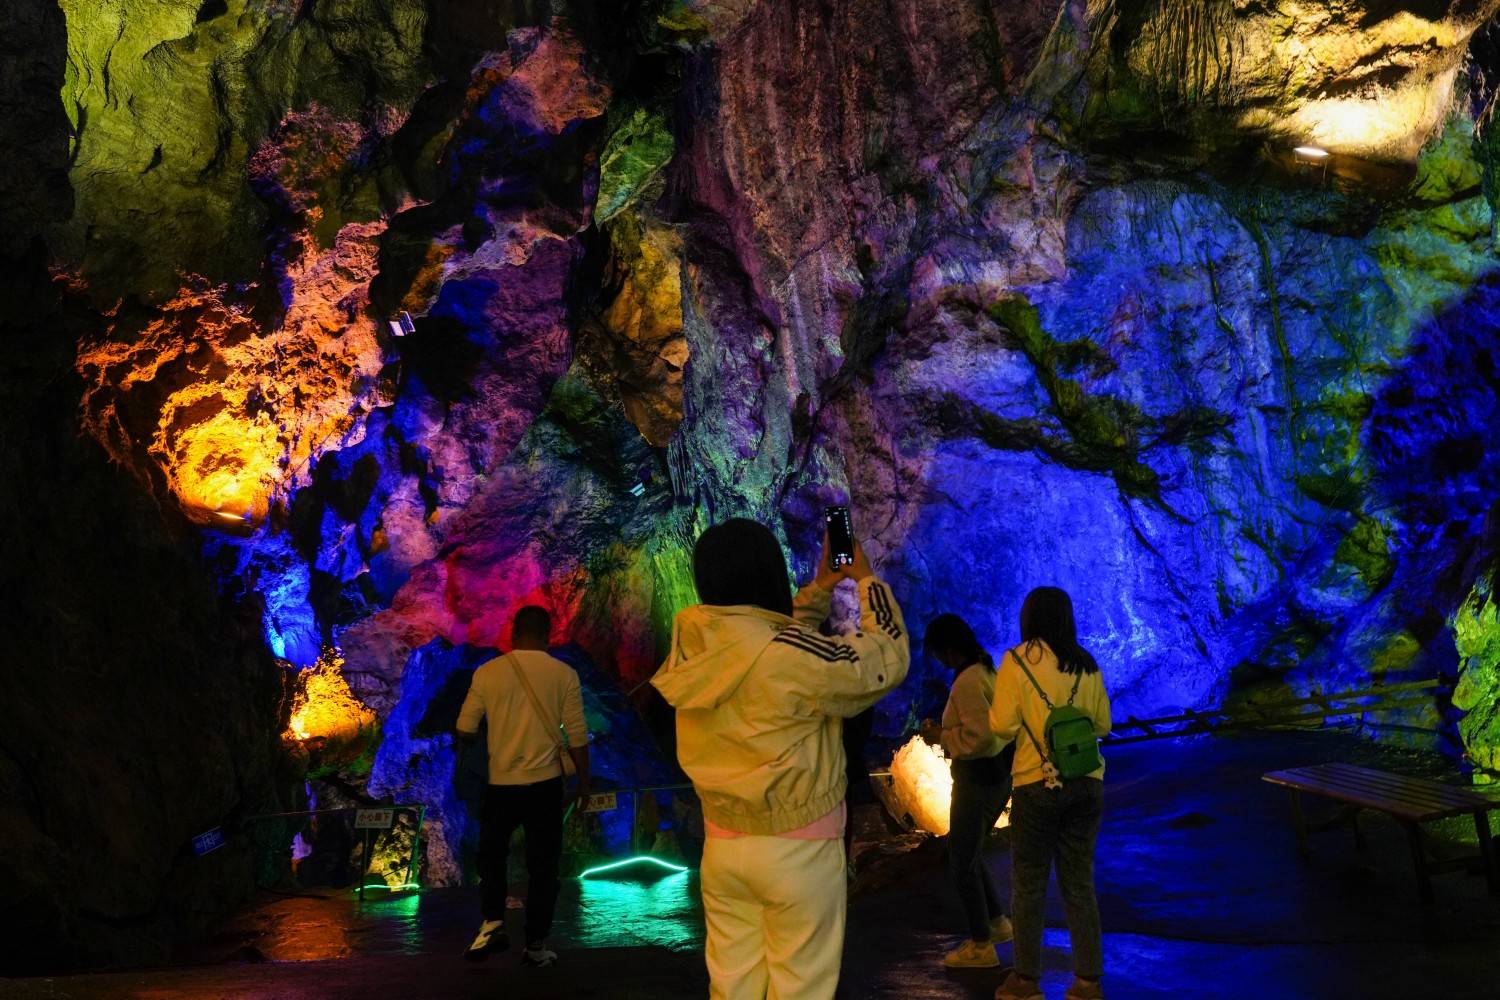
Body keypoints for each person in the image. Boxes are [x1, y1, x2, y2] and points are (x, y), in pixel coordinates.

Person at [651, 518, 910, 1000]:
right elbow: (881, 661)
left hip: (724, 845)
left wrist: (819, 589)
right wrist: (866, 580)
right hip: (799, 847)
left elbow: (759, 641)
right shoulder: (790, 655)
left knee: (733, 986)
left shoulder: (693, 646)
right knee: (801, 986)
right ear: (768, 574)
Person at [987, 587, 1111, 1000]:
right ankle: (1088, 982)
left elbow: (1001, 726)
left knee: (1029, 883)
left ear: (1029, 618)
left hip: (1035, 781)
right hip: (1086, 782)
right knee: (1079, 882)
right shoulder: (1086, 664)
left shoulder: (1016, 661)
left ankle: (1025, 981)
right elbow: (1103, 726)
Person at [454, 605, 590, 968]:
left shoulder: (488, 673)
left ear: (514, 633)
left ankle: (493, 920)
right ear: (549, 635)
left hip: (501, 785)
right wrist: (584, 782)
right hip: (545, 787)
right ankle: (535, 944)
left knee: (492, 857)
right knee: (544, 868)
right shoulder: (564, 674)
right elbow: (577, 735)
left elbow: (465, 727)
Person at [919, 613, 1016, 969]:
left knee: (960, 861)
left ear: (948, 649)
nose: (938, 660)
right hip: (997, 777)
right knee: (970, 853)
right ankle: (997, 922)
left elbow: (982, 738)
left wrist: (941, 737)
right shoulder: (985, 670)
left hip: (978, 780)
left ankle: (981, 946)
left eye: (938, 653)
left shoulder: (968, 681)